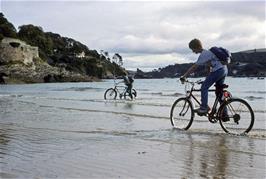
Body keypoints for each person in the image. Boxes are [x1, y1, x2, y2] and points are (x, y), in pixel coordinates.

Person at [180, 38, 228, 117]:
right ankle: (224, 114)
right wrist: (208, 79)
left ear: (196, 47)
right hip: (224, 70)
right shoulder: (208, 53)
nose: (193, 51)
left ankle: (204, 107)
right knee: (219, 92)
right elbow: (209, 68)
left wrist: (184, 76)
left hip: (218, 71)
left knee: (204, 87)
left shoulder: (204, 54)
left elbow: (194, 67)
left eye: (193, 49)